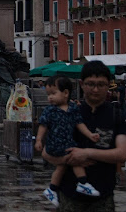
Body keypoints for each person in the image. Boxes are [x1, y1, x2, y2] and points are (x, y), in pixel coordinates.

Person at [42, 61, 126, 211]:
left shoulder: (117, 115)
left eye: (101, 84)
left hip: (103, 195)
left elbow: (122, 154)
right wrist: (69, 159)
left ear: (109, 85)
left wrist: (86, 153)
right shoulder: (67, 113)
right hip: (69, 195)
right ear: (82, 84)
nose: (95, 89)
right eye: (90, 84)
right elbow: (46, 153)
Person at [35, 76, 101, 207]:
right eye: (48, 94)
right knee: (74, 159)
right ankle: (82, 183)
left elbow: (79, 124)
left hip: (67, 143)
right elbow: (43, 126)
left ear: (65, 93)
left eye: (53, 93)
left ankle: (52, 189)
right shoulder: (50, 110)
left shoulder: (72, 109)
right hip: (55, 144)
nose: (50, 97)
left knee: (61, 167)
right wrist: (38, 140)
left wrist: (89, 135)